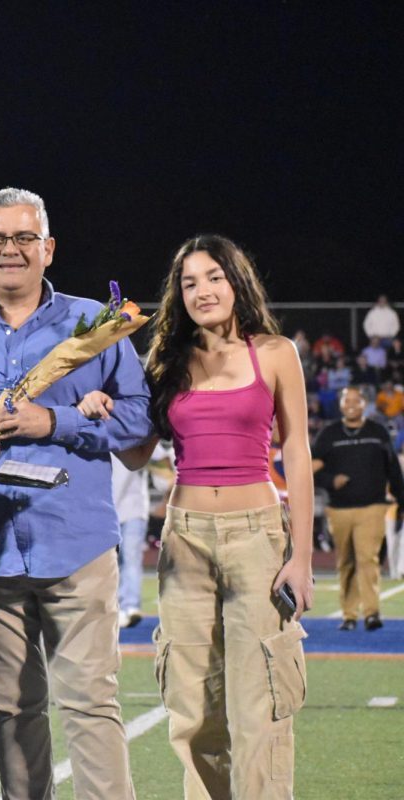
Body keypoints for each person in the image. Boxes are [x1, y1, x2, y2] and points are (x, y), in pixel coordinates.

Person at [0, 187, 151, 800]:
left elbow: (138, 424)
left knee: (92, 707)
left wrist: (59, 422)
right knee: (13, 713)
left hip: (74, 540)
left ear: (48, 248)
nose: (10, 250)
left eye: (24, 238)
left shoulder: (96, 325)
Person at [110, 233, 314, 799]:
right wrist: (99, 403)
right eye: (189, 282)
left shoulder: (274, 352)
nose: (202, 291)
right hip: (184, 543)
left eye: (214, 277)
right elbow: (132, 452)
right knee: (192, 711)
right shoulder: (166, 362)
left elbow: (295, 449)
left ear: (236, 281)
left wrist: (300, 556)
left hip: (258, 538)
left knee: (261, 707)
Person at [313, 386, 404, 631]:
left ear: (366, 403)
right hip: (339, 508)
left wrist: (401, 498)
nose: (351, 404)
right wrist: (331, 480)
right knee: (346, 561)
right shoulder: (329, 434)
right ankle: (349, 615)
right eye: (347, 400)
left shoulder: (378, 432)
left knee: (368, 558)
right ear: (341, 404)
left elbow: (393, 468)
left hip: (372, 506)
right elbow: (311, 468)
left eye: (357, 400)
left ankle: (372, 613)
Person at [112, 453, 150, 629]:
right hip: (110, 510)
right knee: (116, 561)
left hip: (132, 509)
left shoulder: (131, 432)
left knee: (130, 559)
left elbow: (159, 456)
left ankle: (131, 605)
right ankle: (121, 606)